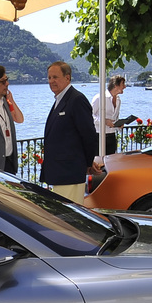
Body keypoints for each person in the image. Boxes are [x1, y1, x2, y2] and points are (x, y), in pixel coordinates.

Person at [42, 61, 101, 201]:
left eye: (55, 77)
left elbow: (89, 135)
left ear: (67, 78)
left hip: (69, 173)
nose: (51, 81)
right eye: (49, 78)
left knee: (68, 218)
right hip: (61, 173)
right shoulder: (60, 100)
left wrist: (87, 163)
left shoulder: (77, 100)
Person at [90, 75, 127, 154]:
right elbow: (89, 116)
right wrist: (104, 121)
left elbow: (115, 117)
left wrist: (118, 125)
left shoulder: (118, 100)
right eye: (123, 84)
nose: (125, 87)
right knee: (98, 161)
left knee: (111, 162)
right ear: (116, 86)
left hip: (112, 136)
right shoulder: (99, 97)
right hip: (98, 136)